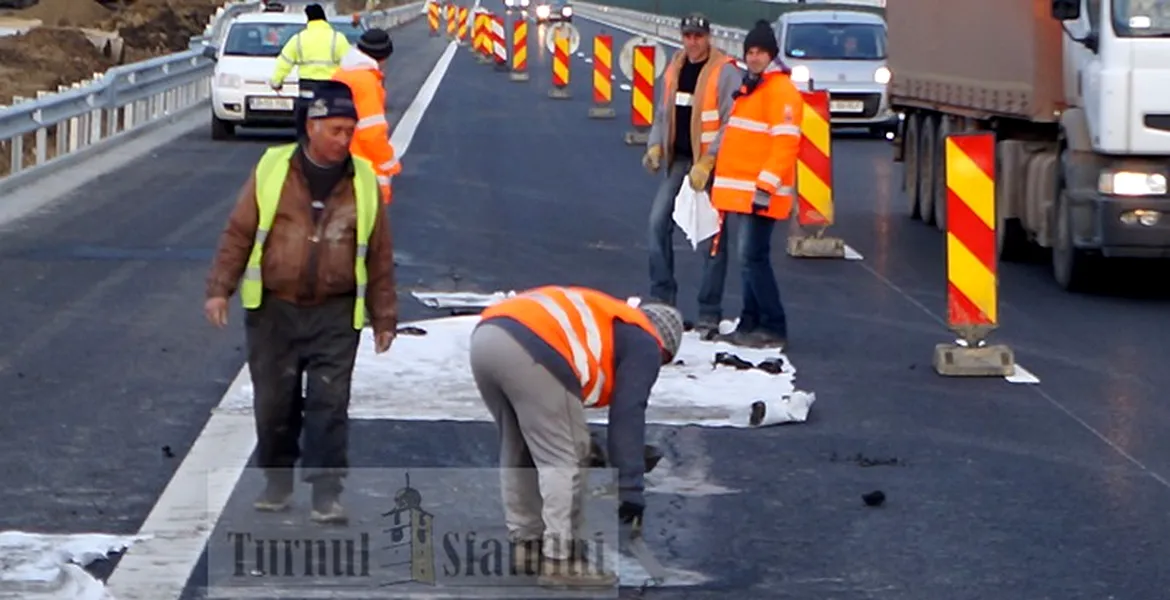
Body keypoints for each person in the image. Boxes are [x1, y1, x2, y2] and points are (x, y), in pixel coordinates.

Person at [203, 80, 398, 524]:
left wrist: (384, 318)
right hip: (275, 311)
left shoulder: (363, 180)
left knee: (330, 405)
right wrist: (219, 290)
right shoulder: (273, 168)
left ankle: (326, 493)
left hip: (335, 312)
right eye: (335, 130)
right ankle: (277, 480)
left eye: (349, 130)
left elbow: (381, 254)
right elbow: (238, 233)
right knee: (276, 401)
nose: (344, 139)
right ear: (311, 127)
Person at [468, 287, 684, 586]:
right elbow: (628, 414)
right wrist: (631, 491)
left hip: (488, 336)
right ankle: (562, 560)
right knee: (565, 459)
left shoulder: (611, 320)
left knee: (518, 447)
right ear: (665, 349)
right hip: (534, 345)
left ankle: (527, 546)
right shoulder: (646, 340)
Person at [642, 12, 742, 337]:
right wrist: (655, 146)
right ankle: (662, 298)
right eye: (688, 36)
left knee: (712, 240)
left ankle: (709, 312)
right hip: (681, 161)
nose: (693, 42)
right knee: (658, 222)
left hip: (712, 166)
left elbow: (731, 122)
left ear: (708, 37)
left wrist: (709, 163)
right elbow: (663, 113)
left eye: (698, 36)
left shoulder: (724, 72)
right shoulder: (675, 67)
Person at [709, 20, 803, 350]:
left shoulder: (780, 91)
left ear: (772, 55)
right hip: (746, 192)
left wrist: (765, 186)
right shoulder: (753, 88)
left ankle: (772, 326)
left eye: (761, 52)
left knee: (754, 258)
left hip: (762, 193)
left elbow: (785, 144)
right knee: (749, 259)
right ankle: (750, 323)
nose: (754, 57)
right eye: (750, 51)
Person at [332, 28, 401, 204]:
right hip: (363, 168)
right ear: (383, 56)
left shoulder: (341, 74)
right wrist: (389, 163)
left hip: (337, 162)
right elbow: (372, 132)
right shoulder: (367, 82)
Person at [270, 3, 351, 138]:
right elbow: (350, 64)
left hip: (306, 91)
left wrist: (276, 82)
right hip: (331, 90)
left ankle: (304, 145)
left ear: (308, 20)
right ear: (325, 19)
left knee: (303, 125)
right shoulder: (337, 38)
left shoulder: (299, 39)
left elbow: (284, 62)